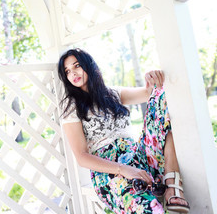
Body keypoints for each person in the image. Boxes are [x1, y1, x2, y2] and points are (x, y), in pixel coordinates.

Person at [58, 48, 190, 213]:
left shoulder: (112, 94)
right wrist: (123, 169)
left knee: (162, 101)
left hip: (138, 156)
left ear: (89, 66)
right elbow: (82, 157)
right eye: (67, 71)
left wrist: (151, 75)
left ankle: (172, 185)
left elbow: (151, 93)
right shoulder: (71, 106)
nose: (73, 73)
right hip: (110, 172)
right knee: (150, 209)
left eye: (76, 66)